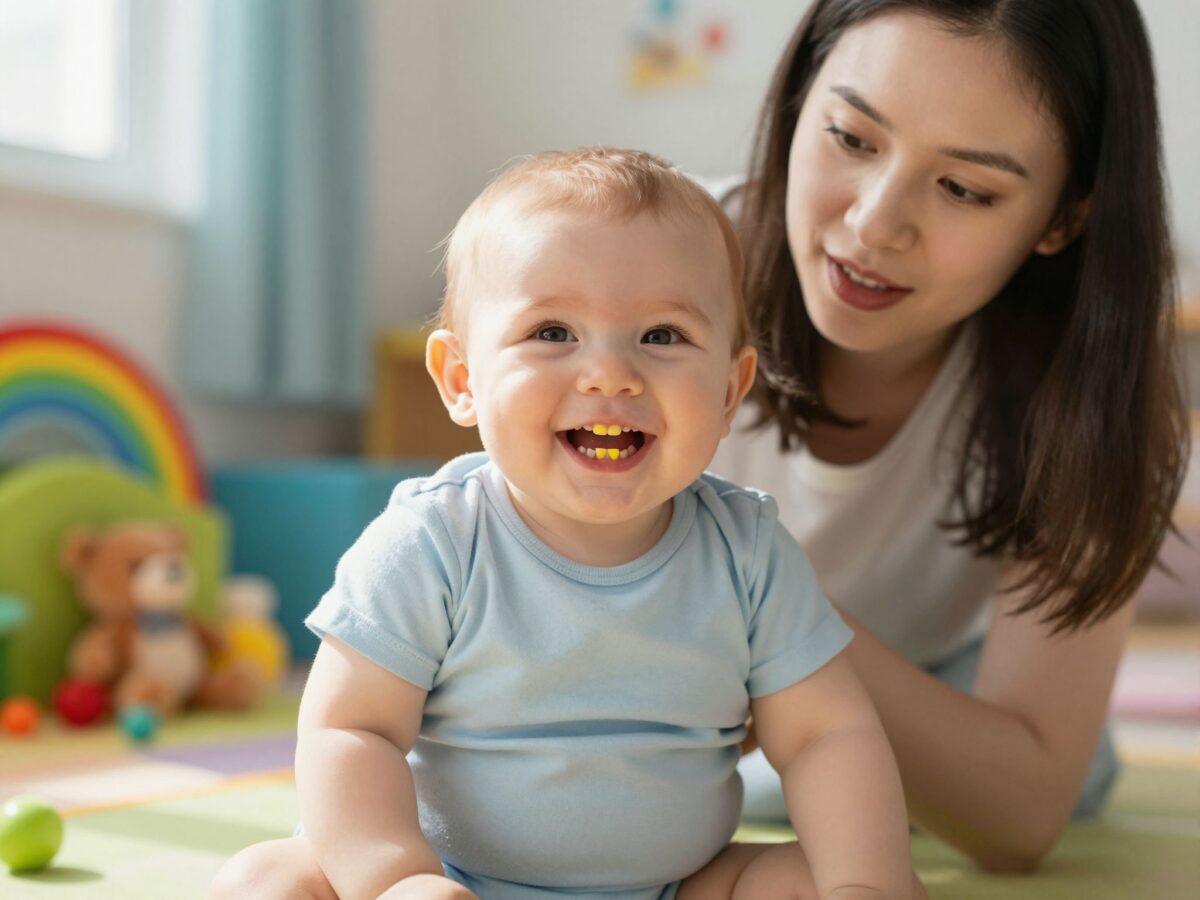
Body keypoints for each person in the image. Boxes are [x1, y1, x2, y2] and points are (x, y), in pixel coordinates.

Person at [209, 147, 920, 900]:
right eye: (552, 332)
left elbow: (825, 736)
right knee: (265, 881)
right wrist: (391, 880)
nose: (610, 373)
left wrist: (861, 886)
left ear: (729, 390)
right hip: (450, 879)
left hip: (678, 885)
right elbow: (351, 732)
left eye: (662, 335)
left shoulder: (748, 554)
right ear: (462, 381)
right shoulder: (431, 544)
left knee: (832, 881)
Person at [707, 0, 1189, 874]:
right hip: (707, 672)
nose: (873, 225)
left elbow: (1023, 814)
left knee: (1067, 777)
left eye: (965, 188)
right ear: (797, 101)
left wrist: (772, 606)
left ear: (1063, 219)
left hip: (953, 677)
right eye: (852, 138)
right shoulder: (652, 270)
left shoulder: (1096, 397)